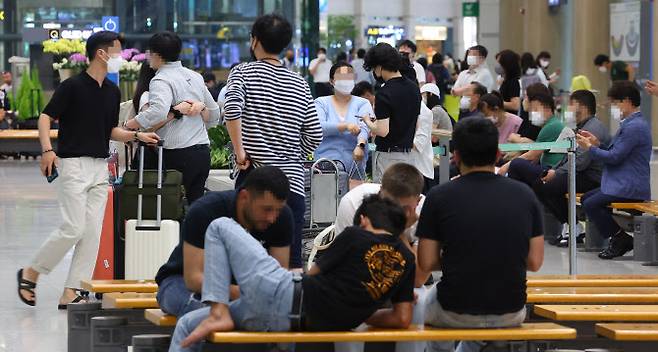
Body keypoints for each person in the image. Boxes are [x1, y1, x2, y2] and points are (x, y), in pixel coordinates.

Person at [16, 31, 161, 309]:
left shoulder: (112, 91)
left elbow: (110, 131)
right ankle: (31, 272)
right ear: (101, 53)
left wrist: (137, 136)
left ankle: (71, 290)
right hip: (72, 165)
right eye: (117, 51)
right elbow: (46, 117)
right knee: (73, 227)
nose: (121, 56)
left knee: (92, 233)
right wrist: (47, 150)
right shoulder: (72, 86)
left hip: (98, 168)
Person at [169, 195, 416, 352]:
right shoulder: (407, 261)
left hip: (282, 294)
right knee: (190, 324)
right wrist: (361, 312)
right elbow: (402, 318)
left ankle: (219, 311)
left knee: (219, 226)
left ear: (363, 220)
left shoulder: (354, 235)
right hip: (284, 320)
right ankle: (220, 313)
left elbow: (313, 273)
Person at [417, 116, 544, 352]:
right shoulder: (524, 195)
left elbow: (425, 262)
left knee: (424, 303)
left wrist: (461, 256)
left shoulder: (439, 196)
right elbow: (535, 262)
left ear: (455, 156)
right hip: (511, 309)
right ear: (498, 154)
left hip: (454, 308)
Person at [225, 14, 322, 270]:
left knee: (246, 264)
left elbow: (232, 109)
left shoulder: (243, 73)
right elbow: (315, 134)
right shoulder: (299, 83)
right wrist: (292, 155)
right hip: (292, 186)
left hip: (254, 182)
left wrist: (240, 152)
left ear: (255, 40)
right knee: (288, 267)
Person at [154, 166, 293, 317]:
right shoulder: (206, 210)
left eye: (278, 210)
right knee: (205, 313)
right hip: (182, 282)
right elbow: (193, 279)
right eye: (266, 209)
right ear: (245, 196)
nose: (272, 218)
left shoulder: (282, 218)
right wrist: (242, 294)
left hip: (244, 291)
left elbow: (278, 277)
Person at [124, 31, 221, 204]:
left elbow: (157, 112)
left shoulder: (161, 79)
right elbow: (214, 113)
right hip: (202, 152)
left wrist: (130, 124)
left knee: (170, 207)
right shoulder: (195, 76)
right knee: (196, 205)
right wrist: (201, 108)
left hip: (176, 154)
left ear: (156, 55)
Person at [577, 81, 651, 259]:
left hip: (629, 185)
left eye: (614, 103)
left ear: (626, 101)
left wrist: (590, 148)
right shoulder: (630, 124)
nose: (613, 108)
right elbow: (614, 151)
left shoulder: (634, 127)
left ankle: (620, 238)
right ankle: (617, 236)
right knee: (587, 198)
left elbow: (614, 157)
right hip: (619, 182)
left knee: (591, 203)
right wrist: (597, 143)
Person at [537, 90, 611, 246]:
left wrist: (556, 174)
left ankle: (574, 226)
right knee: (540, 183)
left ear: (582, 107)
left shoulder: (593, 128)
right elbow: (567, 156)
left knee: (551, 187)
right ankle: (571, 225)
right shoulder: (581, 126)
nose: (568, 108)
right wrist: (553, 171)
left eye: (571, 104)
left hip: (593, 177)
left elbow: (581, 162)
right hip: (581, 173)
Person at [361, 43, 421, 183]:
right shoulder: (413, 88)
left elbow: (382, 131)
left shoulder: (384, 92)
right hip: (409, 155)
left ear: (379, 66)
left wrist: (367, 121)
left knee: (386, 199)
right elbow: (416, 123)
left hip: (388, 157)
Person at [314, 62, 372, 188]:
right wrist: (345, 126)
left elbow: (365, 127)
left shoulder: (363, 103)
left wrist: (360, 145)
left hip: (355, 167)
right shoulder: (321, 102)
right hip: (325, 168)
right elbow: (319, 127)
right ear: (331, 81)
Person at [500, 87, 566, 183]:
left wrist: (507, 166)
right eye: (531, 110)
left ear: (547, 108)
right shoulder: (549, 125)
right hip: (547, 168)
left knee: (516, 164)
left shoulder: (552, 126)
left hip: (551, 171)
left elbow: (532, 155)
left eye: (535, 109)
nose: (532, 114)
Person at [451, 45, 495, 113]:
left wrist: (461, 91)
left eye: (474, 54)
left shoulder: (484, 73)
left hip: (478, 110)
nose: (470, 56)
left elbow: (473, 90)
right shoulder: (463, 73)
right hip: (462, 110)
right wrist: (463, 91)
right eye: (469, 54)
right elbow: (453, 92)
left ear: (482, 58)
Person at [496, 49, 521, 114]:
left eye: (499, 63)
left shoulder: (513, 82)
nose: (497, 66)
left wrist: (495, 102)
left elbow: (515, 106)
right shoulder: (505, 80)